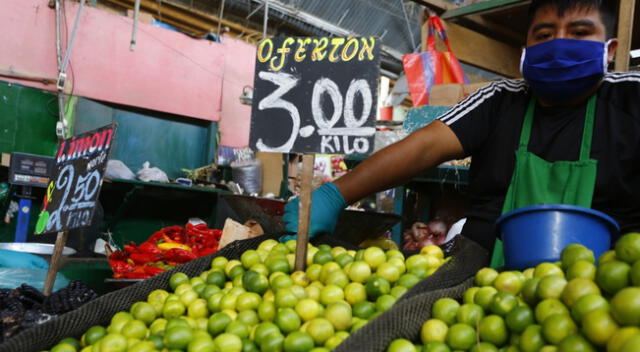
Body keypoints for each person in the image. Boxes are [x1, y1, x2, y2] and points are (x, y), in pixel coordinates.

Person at [283, 0, 640, 263]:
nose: (559, 45)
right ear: (526, 50)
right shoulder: (500, 101)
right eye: (544, 35)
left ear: (610, 50)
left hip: (607, 281)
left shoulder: (631, 97)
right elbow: (424, 147)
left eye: (579, 33)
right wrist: (334, 195)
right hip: (480, 272)